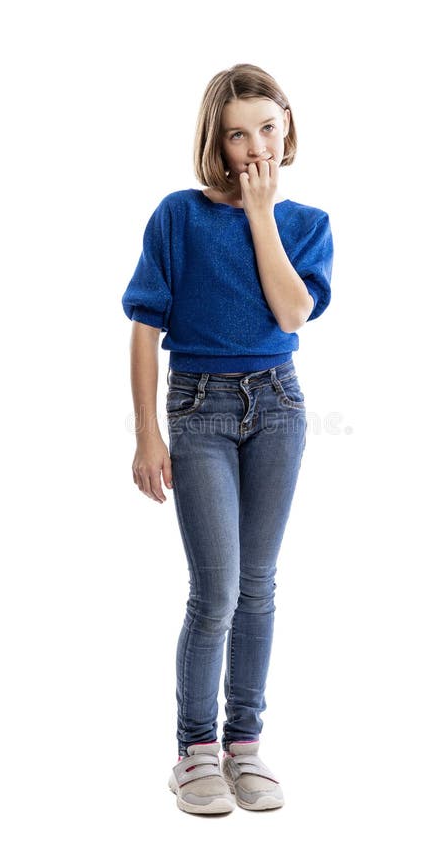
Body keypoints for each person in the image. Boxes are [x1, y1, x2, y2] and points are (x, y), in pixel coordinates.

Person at [121, 63, 334, 815]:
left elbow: (290, 315)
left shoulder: (307, 225)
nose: (254, 147)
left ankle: (246, 745)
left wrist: (262, 213)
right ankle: (194, 751)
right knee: (215, 589)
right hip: (199, 409)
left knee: (259, 587)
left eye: (267, 129)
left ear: (288, 129)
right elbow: (145, 328)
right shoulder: (178, 216)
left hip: (277, 406)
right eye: (238, 133)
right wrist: (150, 436)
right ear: (216, 138)